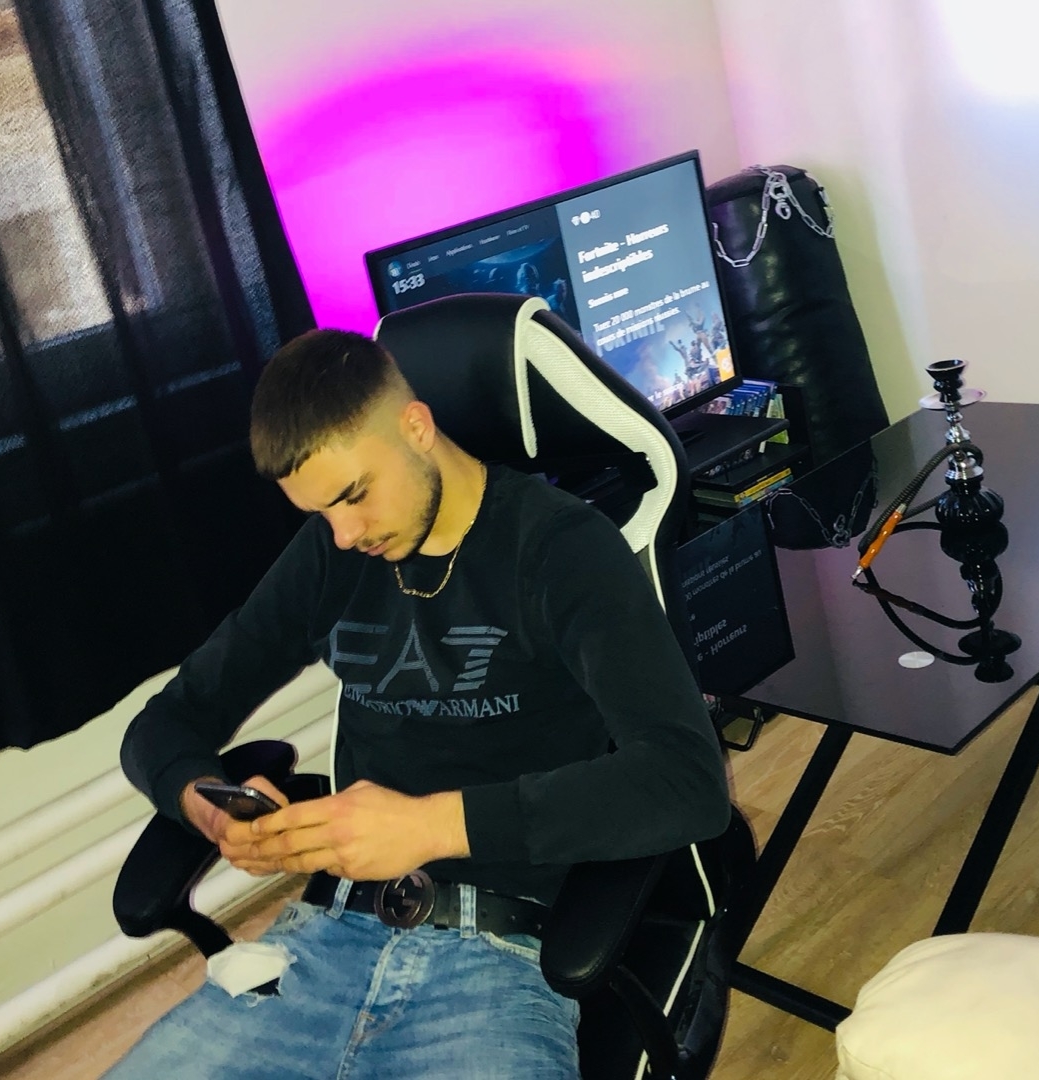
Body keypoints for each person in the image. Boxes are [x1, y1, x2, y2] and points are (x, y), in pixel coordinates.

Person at [107, 328, 731, 1079]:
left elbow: (686, 781)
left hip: (499, 961)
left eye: (353, 495)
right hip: (320, 950)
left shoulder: (561, 551)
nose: (345, 534)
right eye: (319, 512)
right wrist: (207, 806)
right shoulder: (332, 554)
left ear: (416, 427)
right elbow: (162, 725)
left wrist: (427, 825)